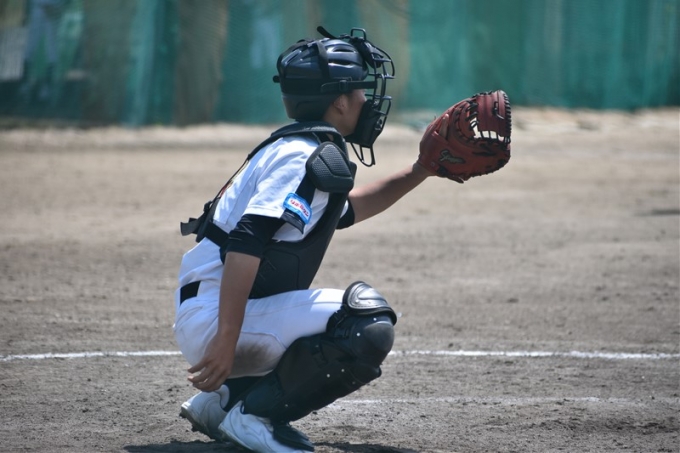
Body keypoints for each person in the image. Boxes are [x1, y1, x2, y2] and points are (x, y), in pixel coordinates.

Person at [173, 26, 439, 452]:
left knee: (328, 315)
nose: (367, 100)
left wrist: (421, 170)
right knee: (366, 324)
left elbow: (347, 211)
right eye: (360, 90)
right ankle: (254, 417)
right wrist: (226, 338)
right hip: (218, 318)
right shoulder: (301, 156)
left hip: (218, 309)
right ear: (339, 101)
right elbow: (247, 241)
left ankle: (223, 403)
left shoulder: (301, 148)